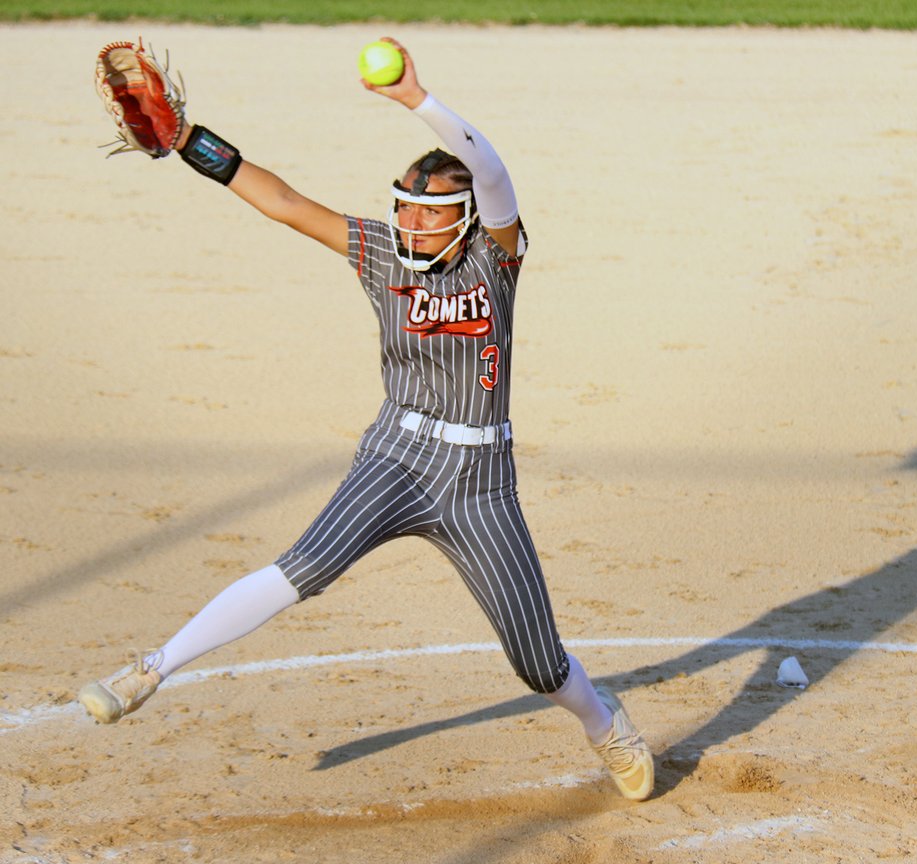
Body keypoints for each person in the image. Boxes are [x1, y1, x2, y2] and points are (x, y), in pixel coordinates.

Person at [78, 38, 654, 802]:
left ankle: (604, 726)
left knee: (537, 660)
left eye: (429, 211)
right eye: (407, 207)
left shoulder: (497, 260)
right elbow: (281, 201)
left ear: (466, 219)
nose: (411, 221)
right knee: (304, 567)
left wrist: (417, 100)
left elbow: (495, 172)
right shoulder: (380, 253)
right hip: (394, 457)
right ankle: (152, 668)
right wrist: (188, 139)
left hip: (480, 485)